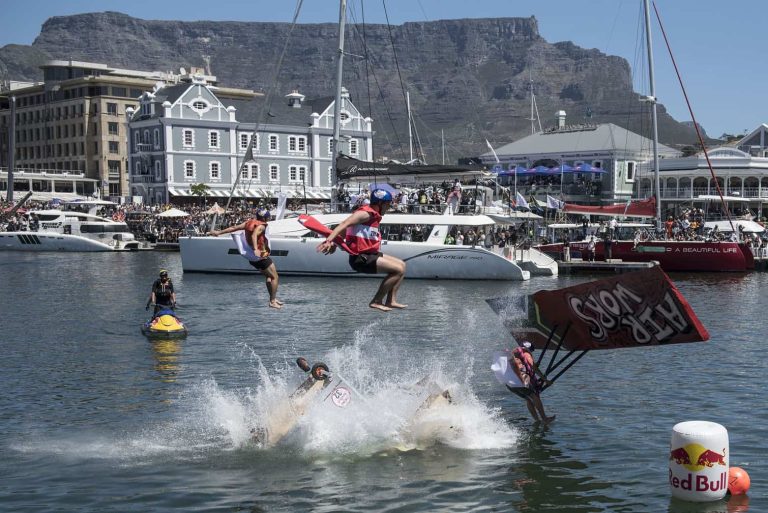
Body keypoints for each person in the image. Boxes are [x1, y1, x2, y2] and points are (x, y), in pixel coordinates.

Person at [316, 189, 406, 312]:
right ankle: (376, 301)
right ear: (380, 203)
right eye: (388, 204)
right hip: (361, 258)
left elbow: (347, 230)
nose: (389, 207)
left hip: (369, 254)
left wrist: (336, 244)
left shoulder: (373, 215)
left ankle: (391, 300)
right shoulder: (365, 213)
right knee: (398, 270)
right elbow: (344, 224)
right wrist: (329, 241)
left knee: (402, 265)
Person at [209, 208, 283, 309]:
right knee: (275, 277)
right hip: (261, 257)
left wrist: (218, 233)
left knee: (269, 277)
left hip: (252, 259)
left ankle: (272, 298)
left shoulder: (248, 223)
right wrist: (256, 249)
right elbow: (254, 235)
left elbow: (234, 228)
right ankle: (272, 301)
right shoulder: (262, 226)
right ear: (266, 218)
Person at [509, 342, 555, 423]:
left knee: (528, 399)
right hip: (520, 380)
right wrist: (545, 380)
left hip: (509, 383)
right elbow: (533, 366)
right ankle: (544, 418)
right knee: (534, 396)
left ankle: (537, 420)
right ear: (529, 349)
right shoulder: (526, 353)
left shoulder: (514, 353)